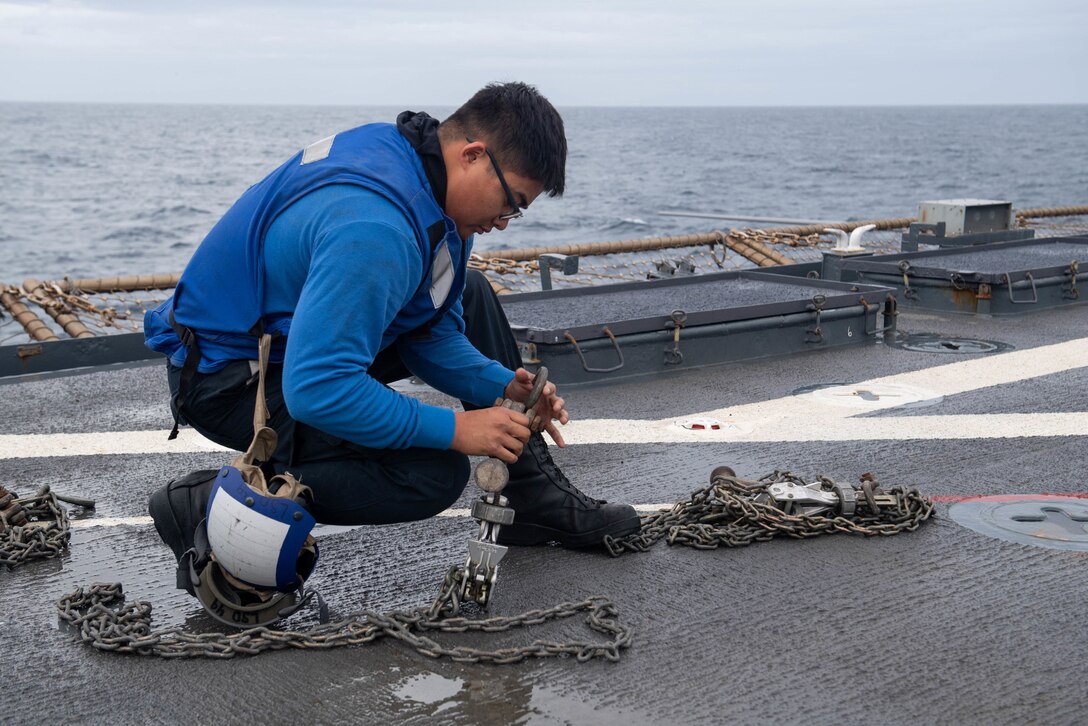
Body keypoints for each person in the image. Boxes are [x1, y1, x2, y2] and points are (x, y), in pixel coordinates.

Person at [144, 81, 640, 551]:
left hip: (285, 350)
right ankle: (211, 502)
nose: (504, 223)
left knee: (466, 291)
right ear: (472, 155)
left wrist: (503, 385)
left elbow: (426, 330)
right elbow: (319, 389)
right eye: (511, 203)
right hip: (228, 383)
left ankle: (529, 500)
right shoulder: (376, 229)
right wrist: (458, 431)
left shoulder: (420, 170)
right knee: (430, 475)